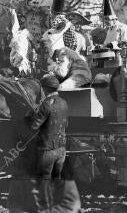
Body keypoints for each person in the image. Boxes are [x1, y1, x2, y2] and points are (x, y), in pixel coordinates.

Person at [30, 75, 68, 211]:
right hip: (61, 149)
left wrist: (31, 115)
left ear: (44, 89)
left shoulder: (46, 104)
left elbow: (34, 126)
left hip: (47, 149)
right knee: (56, 178)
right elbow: (65, 124)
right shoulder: (64, 102)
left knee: (44, 180)